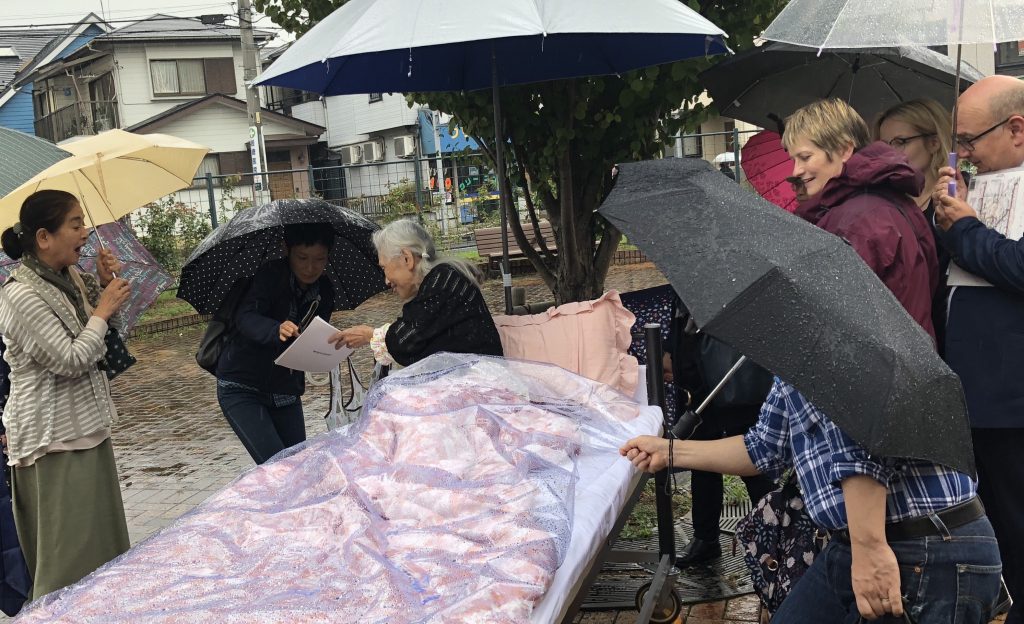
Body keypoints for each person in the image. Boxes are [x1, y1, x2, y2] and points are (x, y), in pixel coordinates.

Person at [0, 190, 132, 599]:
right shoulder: (20, 294)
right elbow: (70, 359)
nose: (84, 231)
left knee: (103, 552)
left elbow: (103, 338)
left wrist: (105, 289)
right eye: (75, 224)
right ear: (44, 237)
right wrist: (102, 310)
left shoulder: (68, 279)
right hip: (51, 440)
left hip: (87, 428)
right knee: (67, 563)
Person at [931, 75, 1024, 624]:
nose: (962, 153)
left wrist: (964, 230)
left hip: (1012, 398)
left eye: (970, 140)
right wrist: (946, 216)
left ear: (1016, 129)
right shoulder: (981, 182)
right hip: (971, 392)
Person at [786, 98, 939, 342]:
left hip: (876, 368)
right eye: (793, 159)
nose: (795, 171)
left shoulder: (857, 221)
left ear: (845, 149)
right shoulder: (884, 200)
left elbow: (831, 314)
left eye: (805, 157)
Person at [215, 224, 336, 465]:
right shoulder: (269, 276)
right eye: (302, 258)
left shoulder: (325, 290)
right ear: (286, 249)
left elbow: (313, 337)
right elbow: (245, 318)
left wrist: (328, 345)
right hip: (242, 386)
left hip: (285, 389)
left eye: (319, 259)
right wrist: (275, 329)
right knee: (277, 468)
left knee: (298, 464)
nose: (311, 268)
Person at [666, 297, 774, 565]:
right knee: (701, 455)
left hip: (730, 368)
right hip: (696, 367)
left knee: (751, 456)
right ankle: (706, 538)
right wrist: (672, 349)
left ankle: (779, 534)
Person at [330, 219, 502, 366]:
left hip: (478, 389)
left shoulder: (443, 280)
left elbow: (404, 341)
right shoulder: (442, 279)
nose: (386, 281)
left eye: (384, 268)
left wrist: (369, 335)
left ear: (407, 258)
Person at [874, 98, 956, 352]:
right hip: (905, 334)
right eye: (884, 145)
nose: (890, 152)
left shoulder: (958, 194)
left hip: (951, 327)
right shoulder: (884, 203)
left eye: (900, 142)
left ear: (932, 142)